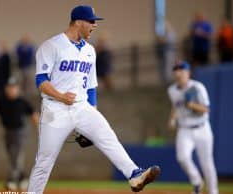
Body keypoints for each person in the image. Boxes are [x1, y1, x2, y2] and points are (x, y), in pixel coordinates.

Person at [28, 5, 160, 194]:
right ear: (78, 22)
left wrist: (92, 116)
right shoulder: (51, 46)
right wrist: (60, 96)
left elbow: (91, 86)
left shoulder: (90, 51)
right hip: (55, 109)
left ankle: (134, 174)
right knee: (44, 162)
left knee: (107, 135)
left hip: (82, 107)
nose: (94, 25)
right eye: (91, 21)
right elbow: (41, 81)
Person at [167, 61, 218, 194]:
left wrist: (191, 105)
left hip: (202, 128)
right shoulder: (172, 90)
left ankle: (213, 191)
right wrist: (172, 118)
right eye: (176, 70)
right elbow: (176, 106)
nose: (179, 73)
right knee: (182, 158)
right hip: (184, 129)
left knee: (207, 163)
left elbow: (206, 109)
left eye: (182, 70)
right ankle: (197, 181)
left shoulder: (197, 87)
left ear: (188, 73)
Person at [0, 77, 39, 190]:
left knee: (17, 154)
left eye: (13, 87)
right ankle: (22, 178)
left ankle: (11, 180)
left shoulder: (22, 101)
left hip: (20, 131)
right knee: (11, 155)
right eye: (9, 88)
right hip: (7, 131)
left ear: (18, 89)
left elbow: (33, 114)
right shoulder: (2, 100)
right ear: (6, 89)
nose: (11, 90)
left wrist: (38, 128)